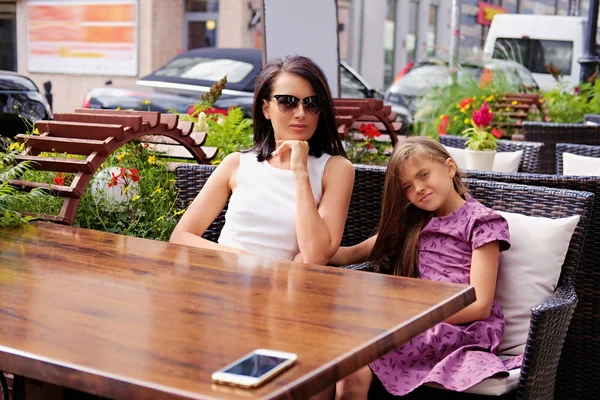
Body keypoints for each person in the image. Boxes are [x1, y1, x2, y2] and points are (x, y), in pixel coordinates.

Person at [322, 136, 521, 399]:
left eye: (424, 174)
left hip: (461, 326)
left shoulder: (482, 223)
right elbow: (354, 253)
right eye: (407, 187)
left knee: (352, 364)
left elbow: (480, 305)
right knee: (329, 360)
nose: (418, 188)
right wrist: (312, 251)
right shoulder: (415, 223)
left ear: (450, 167)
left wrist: (414, 316)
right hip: (417, 320)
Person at [170, 56, 355, 265]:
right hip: (224, 284)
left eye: (312, 103)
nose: (301, 113)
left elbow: (315, 256)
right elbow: (181, 237)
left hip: (285, 291)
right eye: (288, 102)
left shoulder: (336, 169)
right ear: (266, 108)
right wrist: (239, 258)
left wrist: (301, 173)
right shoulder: (237, 163)